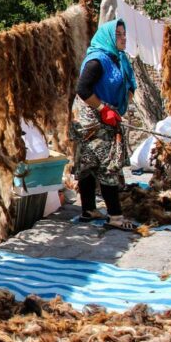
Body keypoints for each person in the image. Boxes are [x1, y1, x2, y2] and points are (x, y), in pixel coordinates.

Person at [72, 18, 138, 231]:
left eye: (123, 33)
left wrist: (121, 104)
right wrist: (103, 109)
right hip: (91, 120)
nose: (123, 38)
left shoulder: (119, 59)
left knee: (91, 164)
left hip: (108, 115)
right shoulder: (97, 61)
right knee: (104, 163)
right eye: (118, 34)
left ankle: (89, 209)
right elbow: (83, 89)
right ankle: (115, 217)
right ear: (109, 36)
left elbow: (129, 84)